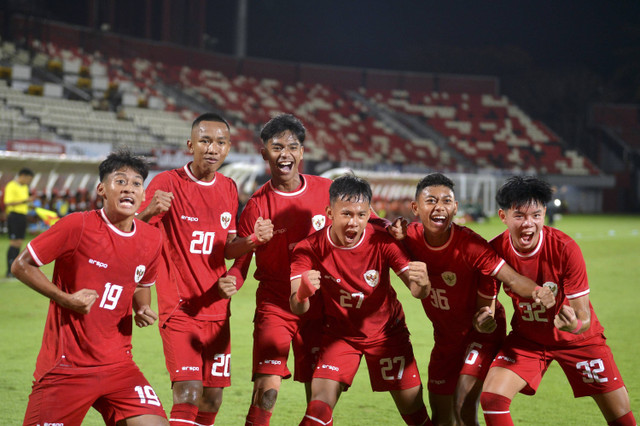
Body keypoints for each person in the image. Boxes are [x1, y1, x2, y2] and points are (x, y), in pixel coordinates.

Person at [11, 150, 168, 425]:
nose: (129, 188)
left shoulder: (152, 238)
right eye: (120, 181)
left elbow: (143, 283)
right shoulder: (78, 225)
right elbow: (21, 265)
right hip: (66, 367)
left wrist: (143, 306)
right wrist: (65, 299)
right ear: (101, 190)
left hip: (119, 367)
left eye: (136, 183)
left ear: (144, 195)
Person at [480, 176, 636, 426]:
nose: (529, 224)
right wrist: (483, 319)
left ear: (544, 215)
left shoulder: (565, 248)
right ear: (503, 216)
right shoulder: (493, 250)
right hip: (528, 340)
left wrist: (572, 325)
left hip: (579, 341)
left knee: (620, 416)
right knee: (492, 398)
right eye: (519, 215)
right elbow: (485, 305)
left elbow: (583, 319)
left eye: (536, 215)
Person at [401, 173, 555, 426]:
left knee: (462, 403)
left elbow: (513, 279)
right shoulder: (407, 237)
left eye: (447, 201)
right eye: (431, 201)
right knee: (441, 417)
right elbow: (373, 227)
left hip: (480, 333)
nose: (440, 207)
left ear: (455, 207)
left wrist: (539, 292)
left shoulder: (471, 245)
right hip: (444, 338)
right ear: (416, 208)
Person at [289, 174, 433, 426]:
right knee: (317, 410)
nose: (354, 222)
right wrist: (303, 292)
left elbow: (416, 290)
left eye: (361, 215)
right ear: (329, 213)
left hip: (388, 335)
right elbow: (297, 305)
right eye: (346, 214)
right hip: (340, 337)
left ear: (369, 214)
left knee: (416, 415)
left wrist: (423, 283)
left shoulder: (381, 240)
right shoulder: (308, 247)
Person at [224, 114, 329, 426]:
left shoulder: (327, 191)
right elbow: (241, 261)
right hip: (276, 304)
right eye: (277, 147)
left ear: (302, 152)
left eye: (293, 147)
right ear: (264, 153)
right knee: (267, 390)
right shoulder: (256, 205)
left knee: (320, 396)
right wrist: (230, 279)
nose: (285, 153)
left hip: (319, 305)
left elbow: (367, 223)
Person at [137, 112, 239, 426]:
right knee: (189, 393)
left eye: (220, 142)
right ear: (190, 145)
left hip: (218, 312)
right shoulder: (166, 183)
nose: (212, 148)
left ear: (228, 148)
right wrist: (148, 212)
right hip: (179, 309)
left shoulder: (229, 187)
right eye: (205, 140)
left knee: (212, 398)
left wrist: (251, 244)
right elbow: (132, 237)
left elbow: (229, 245)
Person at [4, 167, 35, 277]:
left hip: (22, 216)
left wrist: (30, 205)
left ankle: (14, 269)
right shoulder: (11, 185)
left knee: (19, 243)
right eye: (28, 179)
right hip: (14, 216)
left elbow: (23, 202)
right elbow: (8, 203)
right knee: (14, 243)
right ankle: (9, 270)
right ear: (22, 176)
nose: (29, 182)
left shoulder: (25, 187)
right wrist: (26, 200)